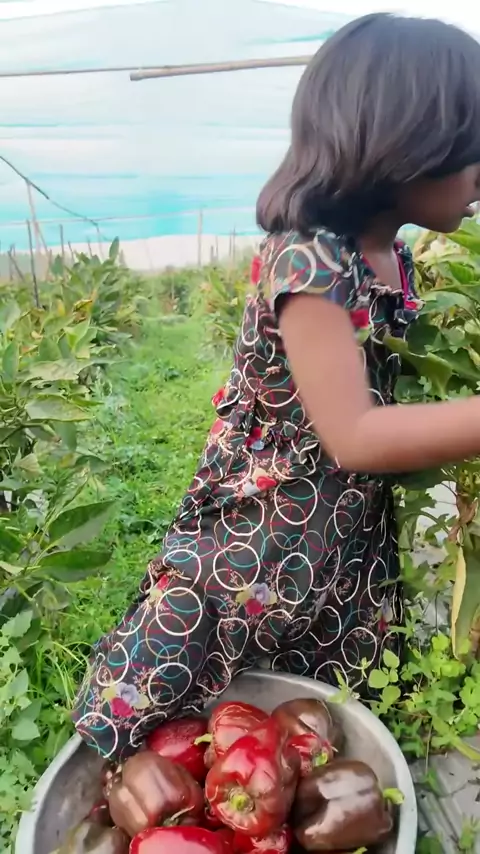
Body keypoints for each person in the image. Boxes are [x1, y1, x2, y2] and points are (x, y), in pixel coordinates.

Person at [73, 12, 480, 761]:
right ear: (407, 145)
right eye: (471, 149)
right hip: (258, 533)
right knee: (174, 704)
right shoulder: (309, 259)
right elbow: (355, 434)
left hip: (343, 533)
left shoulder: (392, 258)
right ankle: (111, 785)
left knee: (315, 720)